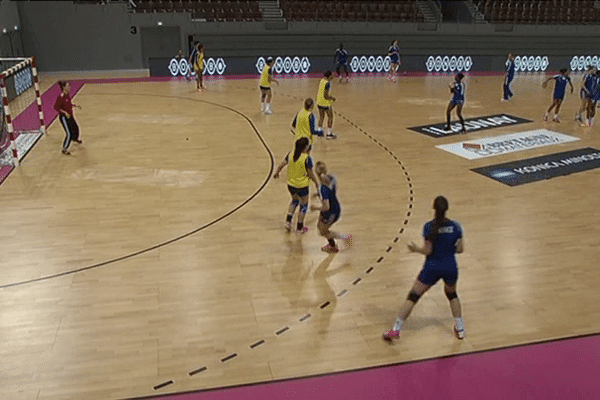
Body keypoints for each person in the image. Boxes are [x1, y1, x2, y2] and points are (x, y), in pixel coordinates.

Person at [383, 196, 465, 342]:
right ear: (447, 209)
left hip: (432, 268)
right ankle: (460, 329)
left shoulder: (429, 227)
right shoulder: (456, 226)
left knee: (413, 296)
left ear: (434, 208)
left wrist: (416, 249)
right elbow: (460, 249)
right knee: (452, 295)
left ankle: (396, 329)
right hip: (450, 267)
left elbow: (428, 251)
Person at [273, 137, 319, 233]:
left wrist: (277, 172)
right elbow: (310, 173)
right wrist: (317, 183)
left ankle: (288, 221)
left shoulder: (291, 154)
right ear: (305, 147)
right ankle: (299, 227)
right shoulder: (306, 158)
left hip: (291, 185)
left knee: (294, 201)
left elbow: (282, 164)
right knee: (303, 206)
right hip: (302, 186)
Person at [310, 161, 351, 253]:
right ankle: (332, 246)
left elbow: (326, 207)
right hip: (335, 206)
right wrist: (318, 194)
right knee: (320, 228)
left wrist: (315, 208)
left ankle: (344, 237)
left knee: (323, 231)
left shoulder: (322, 188)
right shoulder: (332, 178)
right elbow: (331, 192)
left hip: (331, 212)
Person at [54, 81, 82, 156]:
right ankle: (64, 149)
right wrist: (65, 113)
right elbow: (56, 107)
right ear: (64, 88)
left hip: (70, 116)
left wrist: (75, 106)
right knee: (69, 133)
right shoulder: (61, 97)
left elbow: (67, 104)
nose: (70, 87)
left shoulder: (67, 95)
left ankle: (75, 139)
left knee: (76, 128)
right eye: (68, 86)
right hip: (64, 118)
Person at [316, 71, 337, 139]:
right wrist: (332, 98)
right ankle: (329, 133)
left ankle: (319, 132)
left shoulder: (322, 81)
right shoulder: (327, 83)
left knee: (321, 117)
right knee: (330, 117)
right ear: (329, 76)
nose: (333, 76)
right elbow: (325, 95)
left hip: (319, 101)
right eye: (332, 75)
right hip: (325, 103)